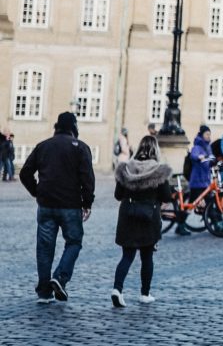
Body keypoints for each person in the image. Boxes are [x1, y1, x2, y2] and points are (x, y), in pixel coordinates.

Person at [19, 110, 95, 302]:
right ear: (74, 128)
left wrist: (37, 191)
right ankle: (60, 276)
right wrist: (87, 202)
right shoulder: (80, 148)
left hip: (46, 205)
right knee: (74, 242)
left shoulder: (43, 146)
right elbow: (87, 179)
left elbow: (25, 173)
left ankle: (44, 291)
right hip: (70, 205)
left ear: (56, 127)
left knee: (44, 248)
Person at [111, 135, 173, 307]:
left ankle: (117, 289)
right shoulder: (159, 171)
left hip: (128, 216)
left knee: (127, 256)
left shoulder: (125, 168)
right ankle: (144, 294)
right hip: (148, 217)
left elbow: (118, 195)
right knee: (147, 257)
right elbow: (167, 196)